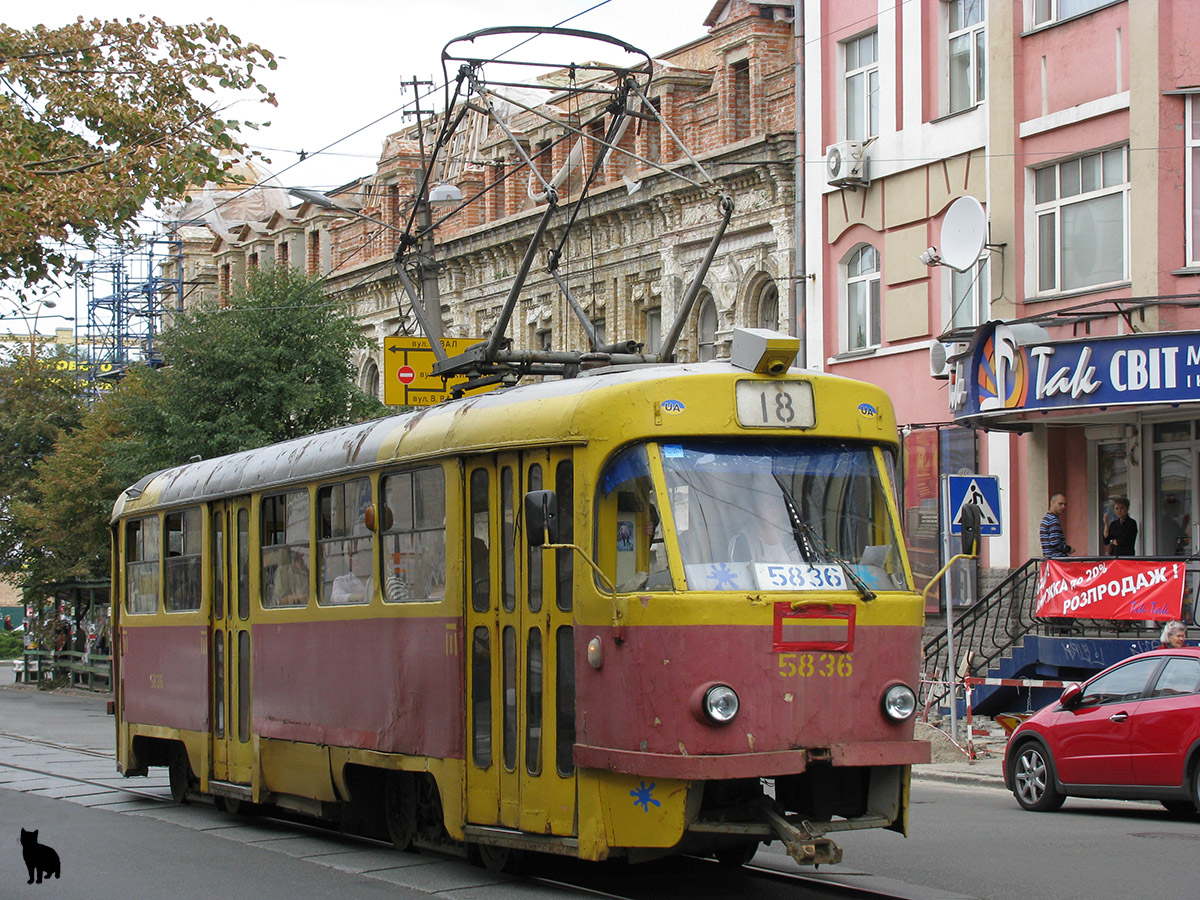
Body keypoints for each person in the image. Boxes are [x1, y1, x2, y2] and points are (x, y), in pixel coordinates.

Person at [1039, 492, 1072, 558]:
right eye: (1060, 504)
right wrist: (1069, 549)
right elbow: (1055, 542)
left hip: (1050, 560)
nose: (1063, 507)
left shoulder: (1046, 519)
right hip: (1057, 561)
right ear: (1052, 503)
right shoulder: (1053, 520)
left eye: (1065, 504)